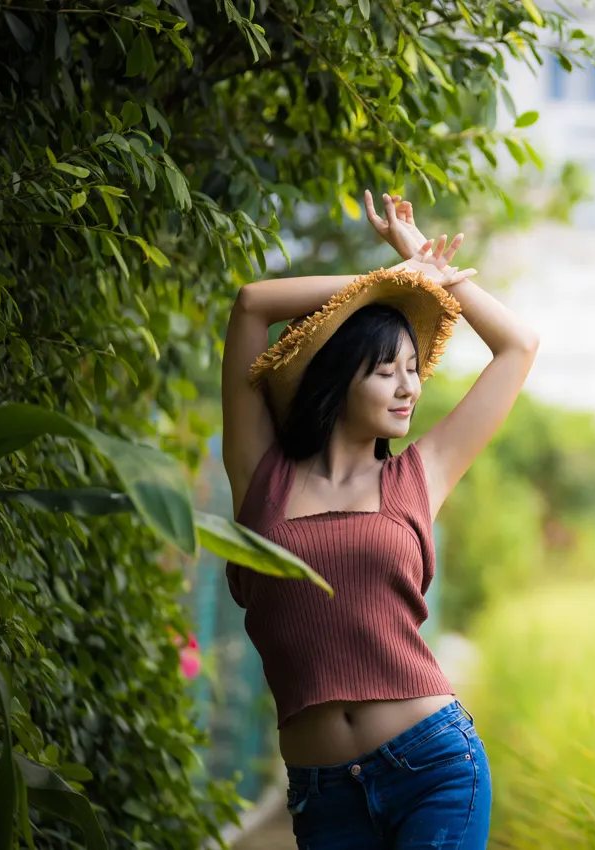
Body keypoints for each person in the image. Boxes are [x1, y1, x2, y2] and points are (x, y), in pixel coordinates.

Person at [219, 189, 538, 848]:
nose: (409, 387)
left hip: (433, 768)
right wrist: (389, 280)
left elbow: (518, 346)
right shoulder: (261, 478)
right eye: (387, 370)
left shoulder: (419, 475)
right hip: (322, 794)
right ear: (337, 378)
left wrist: (427, 270)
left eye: (413, 369)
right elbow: (251, 303)